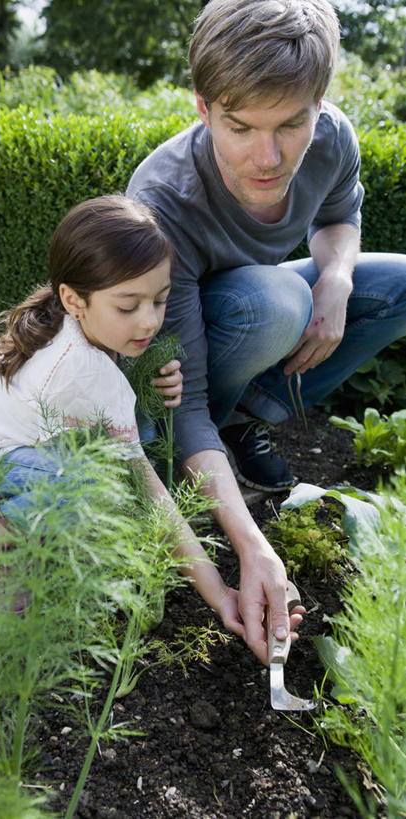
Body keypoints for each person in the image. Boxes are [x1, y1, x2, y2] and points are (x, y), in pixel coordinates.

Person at [127, 0, 406, 660]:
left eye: (291, 123)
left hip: (258, 321)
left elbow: (339, 215)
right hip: (178, 379)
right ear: (201, 109)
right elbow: (179, 402)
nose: (268, 155)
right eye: (240, 126)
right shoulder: (160, 200)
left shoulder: (331, 137)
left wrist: (335, 278)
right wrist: (252, 545)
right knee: (276, 299)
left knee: (390, 284)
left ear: (318, 105)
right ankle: (216, 458)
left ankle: (249, 419)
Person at [0, 195, 303, 650]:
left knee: (127, 448)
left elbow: (116, 390)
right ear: (74, 299)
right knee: (91, 491)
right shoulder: (81, 375)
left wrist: (147, 370)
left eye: (161, 300)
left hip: (17, 447)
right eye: (128, 307)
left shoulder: (79, 324)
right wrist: (217, 592)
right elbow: (146, 487)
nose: (149, 321)